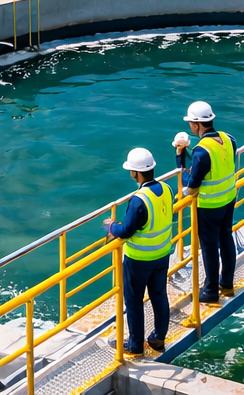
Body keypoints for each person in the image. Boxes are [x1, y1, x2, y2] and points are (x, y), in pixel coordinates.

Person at [104, 147, 174, 356]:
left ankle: (135, 345)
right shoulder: (167, 189)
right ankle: (158, 339)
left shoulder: (138, 200)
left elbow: (126, 230)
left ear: (135, 173)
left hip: (138, 260)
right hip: (162, 255)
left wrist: (111, 227)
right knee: (159, 296)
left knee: (134, 301)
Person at [174, 101, 237, 304]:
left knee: (209, 247)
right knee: (226, 238)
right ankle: (226, 283)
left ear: (196, 124)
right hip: (228, 198)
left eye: (191, 123)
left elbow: (191, 187)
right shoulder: (228, 139)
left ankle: (210, 291)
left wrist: (180, 159)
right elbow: (216, 160)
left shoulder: (201, 152)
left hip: (210, 205)